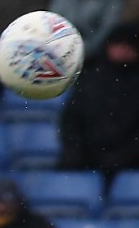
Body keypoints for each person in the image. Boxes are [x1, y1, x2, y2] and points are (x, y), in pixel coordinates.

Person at [58, 22, 139, 182]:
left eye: (128, 45)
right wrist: (77, 154)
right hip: (84, 162)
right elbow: (71, 121)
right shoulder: (90, 79)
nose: (122, 50)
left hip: (130, 165)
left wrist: (121, 157)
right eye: (118, 44)